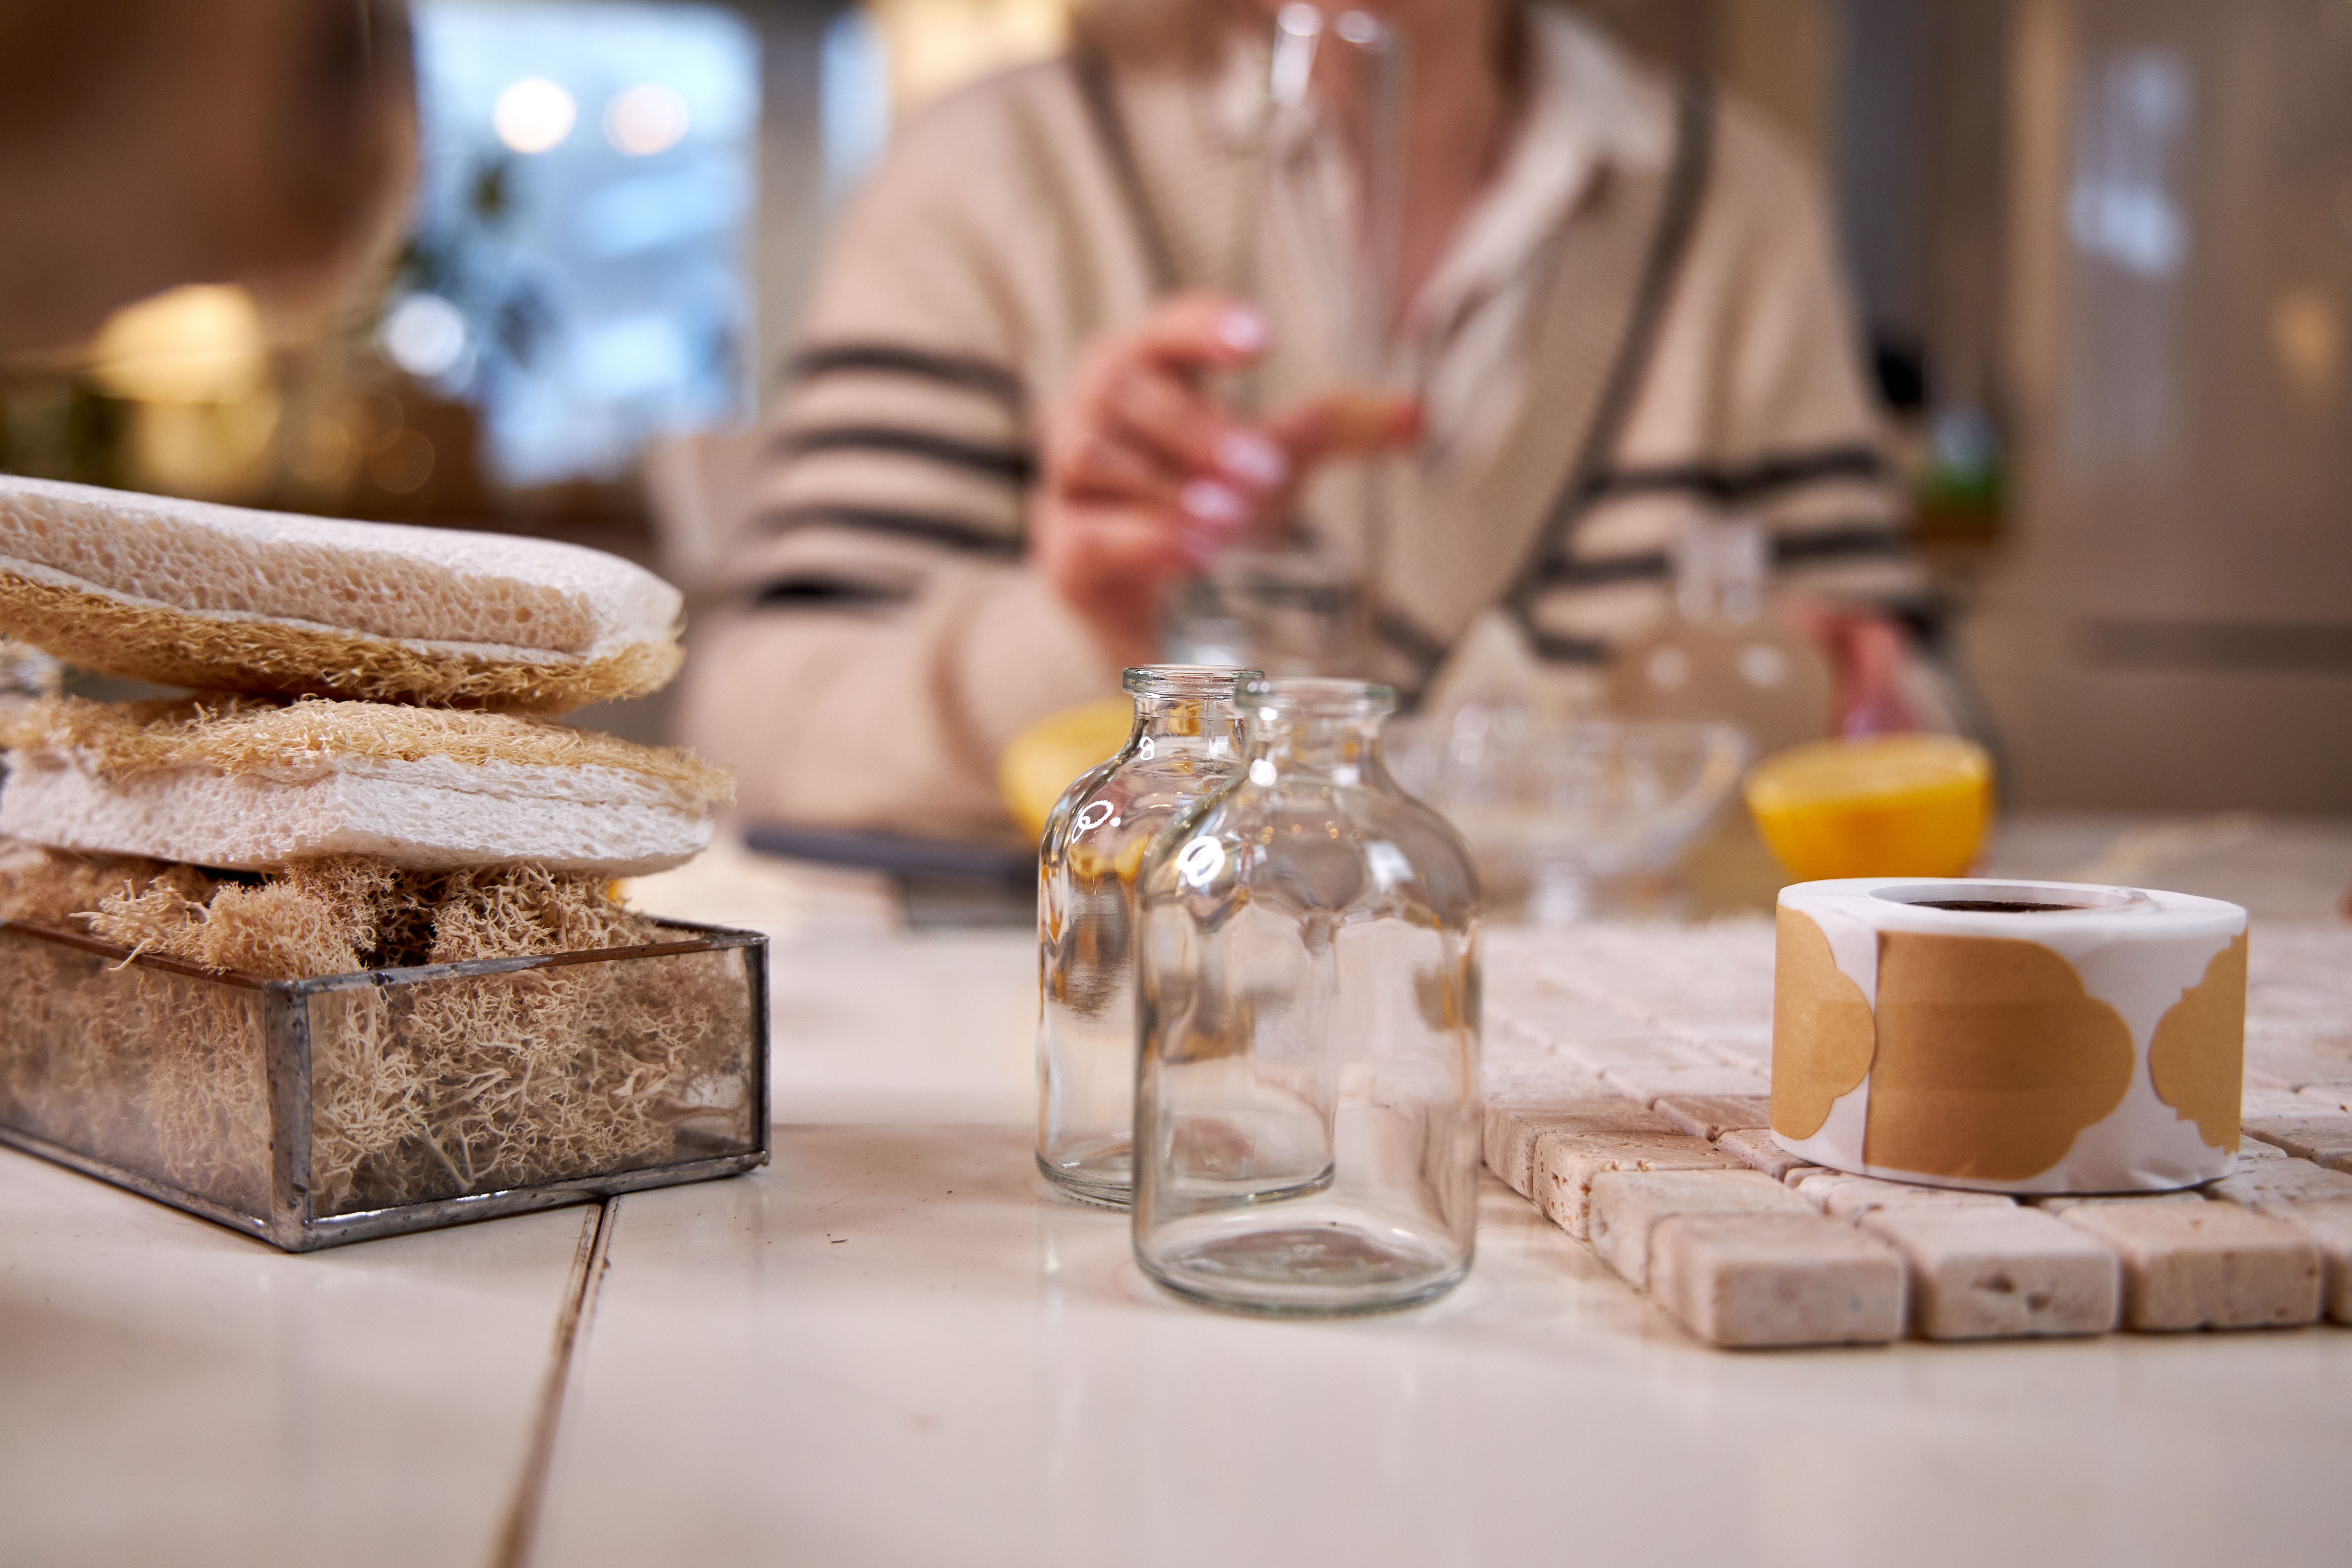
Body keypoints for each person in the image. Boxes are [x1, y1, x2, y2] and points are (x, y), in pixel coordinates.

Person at [681, 0, 1918, 840]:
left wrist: (1852, 695)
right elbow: (756, 731)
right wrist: (1084, 627)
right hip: (1135, 1054)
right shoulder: (997, 176)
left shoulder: (1733, 203)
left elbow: (1927, 726)